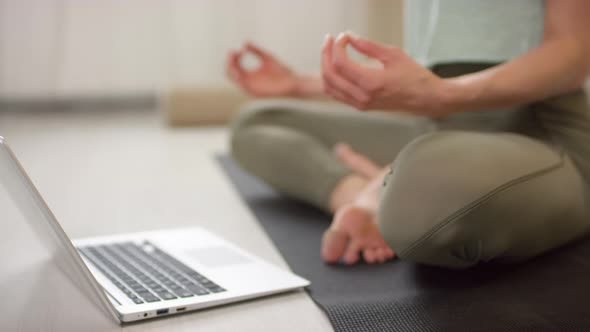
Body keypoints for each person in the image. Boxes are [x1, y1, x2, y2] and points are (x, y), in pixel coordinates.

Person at [225, 0, 590, 268]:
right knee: (257, 122)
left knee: (418, 198)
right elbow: (426, 84)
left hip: (540, 133)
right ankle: (360, 194)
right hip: (440, 125)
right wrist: (298, 84)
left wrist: (441, 95)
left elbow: (572, 52)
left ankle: (386, 188)